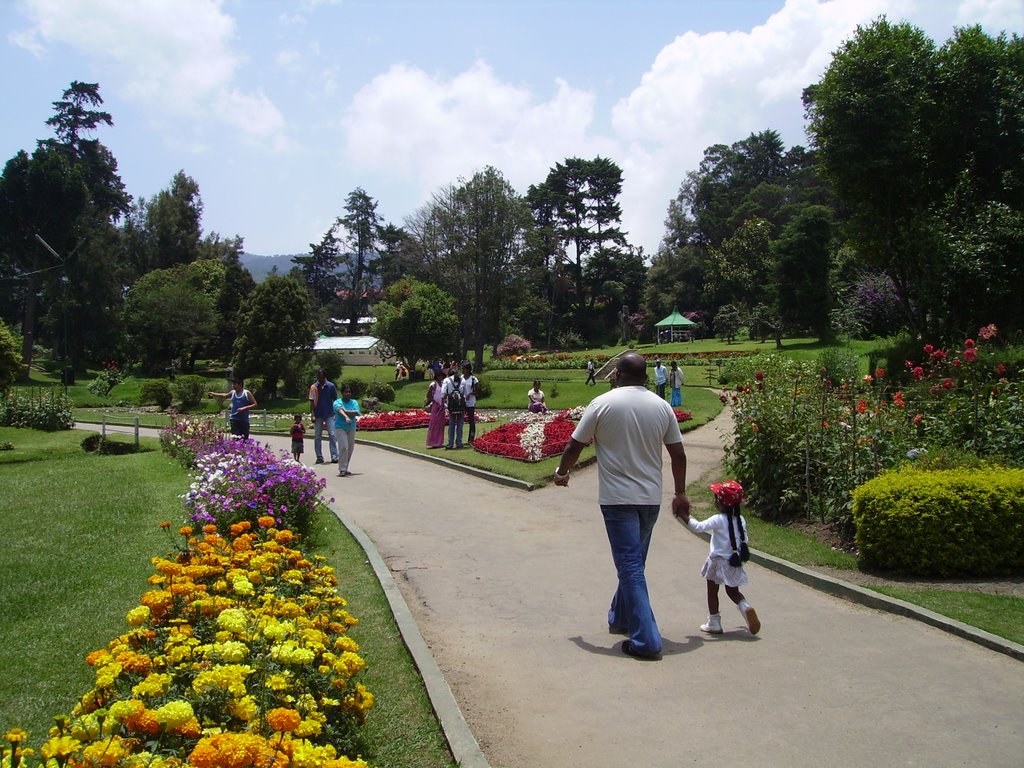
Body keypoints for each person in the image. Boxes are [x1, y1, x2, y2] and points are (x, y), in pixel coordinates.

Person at [553, 352, 690, 661]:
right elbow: (678, 455)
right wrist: (680, 493)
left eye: (615, 371)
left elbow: (575, 444)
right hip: (650, 499)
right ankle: (620, 618)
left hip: (617, 500)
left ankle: (646, 641)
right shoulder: (661, 406)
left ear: (619, 373)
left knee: (629, 565)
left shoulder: (602, 403)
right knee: (634, 562)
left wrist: (563, 472)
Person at [676, 480, 760, 635]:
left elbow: (698, 527)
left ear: (719, 503)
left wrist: (683, 515)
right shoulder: (741, 520)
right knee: (733, 592)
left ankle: (714, 622)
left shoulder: (718, 519)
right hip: (734, 561)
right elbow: (744, 540)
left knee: (712, 591)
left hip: (717, 560)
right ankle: (746, 607)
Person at [309, 368, 339, 464]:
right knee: (317, 436)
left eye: (321, 377)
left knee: (332, 434)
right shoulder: (313, 387)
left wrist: (336, 411)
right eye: (318, 377)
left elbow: (335, 399)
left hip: (329, 413)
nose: (320, 379)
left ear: (325, 376)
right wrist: (312, 414)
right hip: (318, 414)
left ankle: (334, 456)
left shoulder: (331, 386)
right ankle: (319, 456)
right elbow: (312, 402)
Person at [333, 384, 360, 477]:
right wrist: (346, 416)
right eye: (346, 392)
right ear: (342, 393)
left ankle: (345, 467)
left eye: (349, 392)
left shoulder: (354, 402)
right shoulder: (337, 402)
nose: (348, 393)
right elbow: (339, 410)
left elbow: (357, 412)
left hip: (351, 428)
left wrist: (346, 411)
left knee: (350, 448)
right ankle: (342, 469)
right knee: (344, 446)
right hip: (340, 427)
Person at [443, 370, 467, 449]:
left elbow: (443, 393)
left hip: (452, 405)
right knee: (460, 424)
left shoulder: (447, 380)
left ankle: (450, 443)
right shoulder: (463, 380)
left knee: (451, 424)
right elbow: (465, 393)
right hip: (460, 405)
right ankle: (459, 442)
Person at [425, 369, 446, 448]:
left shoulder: (443, 384)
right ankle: (433, 442)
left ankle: (439, 441)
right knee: (434, 423)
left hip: (441, 405)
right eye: (439, 376)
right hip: (435, 405)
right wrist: (433, 401)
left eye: (441, 376)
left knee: (441, 423)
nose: (440, 377)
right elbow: (428, 394)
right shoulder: (434, 384)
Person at [461, 363, 480, 443]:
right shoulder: (461, 378)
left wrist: (470, 393)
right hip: (462, 401)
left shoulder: (473, 379)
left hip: (470, 402)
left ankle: (471, 438)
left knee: (471, 420)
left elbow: (478, 391)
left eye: (464, 369)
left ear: (468, 370)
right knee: (460, 419)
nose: (463, 371)